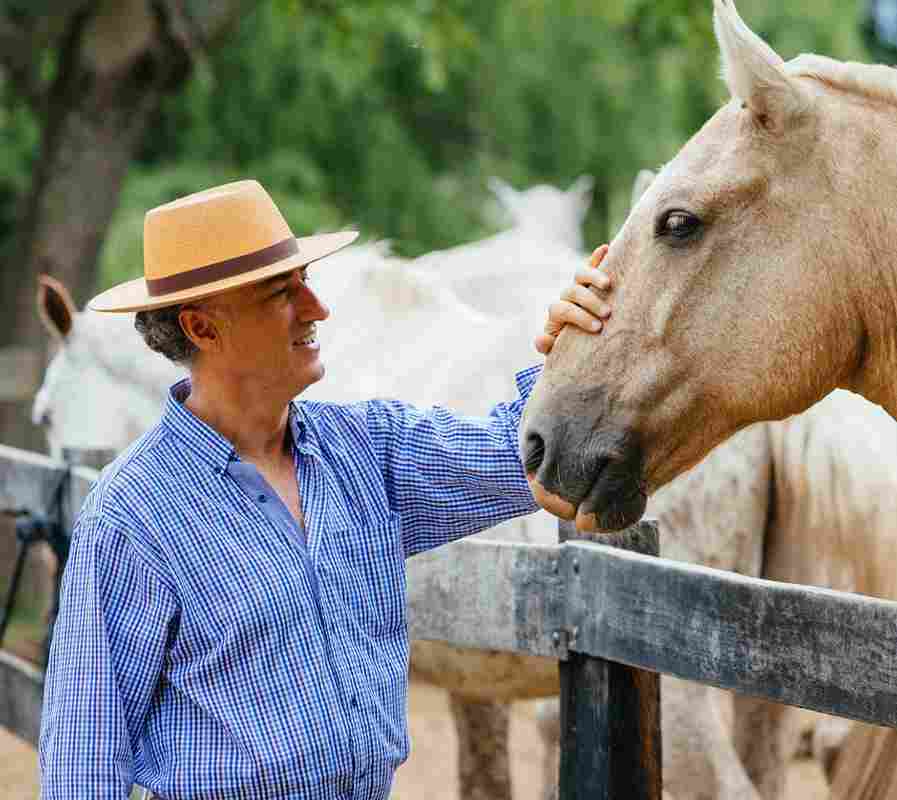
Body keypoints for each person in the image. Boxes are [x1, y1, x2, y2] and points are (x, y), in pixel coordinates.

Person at [38, 180, 612, 800]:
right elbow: (82, 764)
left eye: (307, 282)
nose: (318, 307)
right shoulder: (132, 516)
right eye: (283, 293)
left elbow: (513, 455)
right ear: (202, 327)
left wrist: (576, 347)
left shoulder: (368, 449)